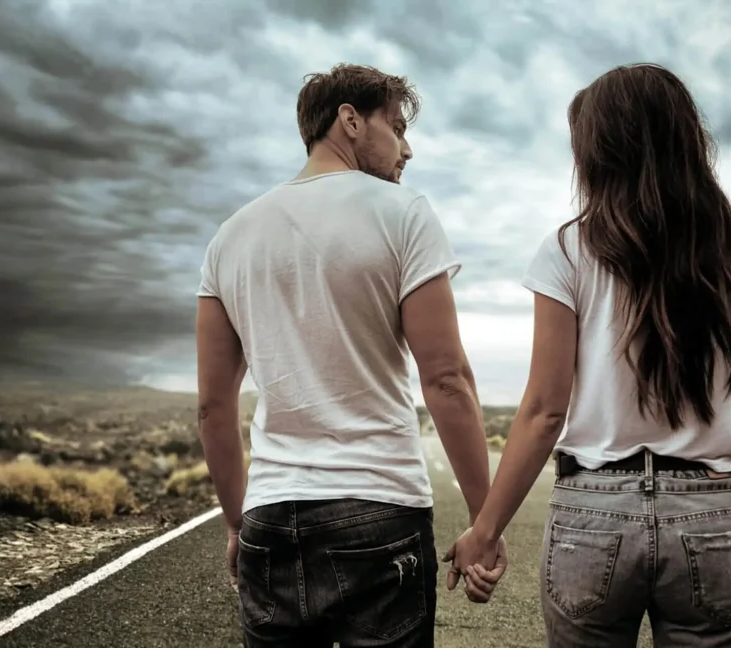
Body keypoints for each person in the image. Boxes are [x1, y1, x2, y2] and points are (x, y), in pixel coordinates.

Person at [444, 63, 731, 647]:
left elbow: (543, 412)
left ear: (599, 152)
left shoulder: (567, 249)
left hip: (592, 517)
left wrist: (485, 531)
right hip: (707, 515)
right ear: (686, 139)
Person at [195, 63, 504, 648]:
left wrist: (239, 523)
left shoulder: (229, 238)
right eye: (398, 127)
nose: (407, 149)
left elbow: (213, 407)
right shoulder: (403, 213)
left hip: (271, 515)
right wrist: (483, 521)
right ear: (350, 120)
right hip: (379, 508)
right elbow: (445, 380)